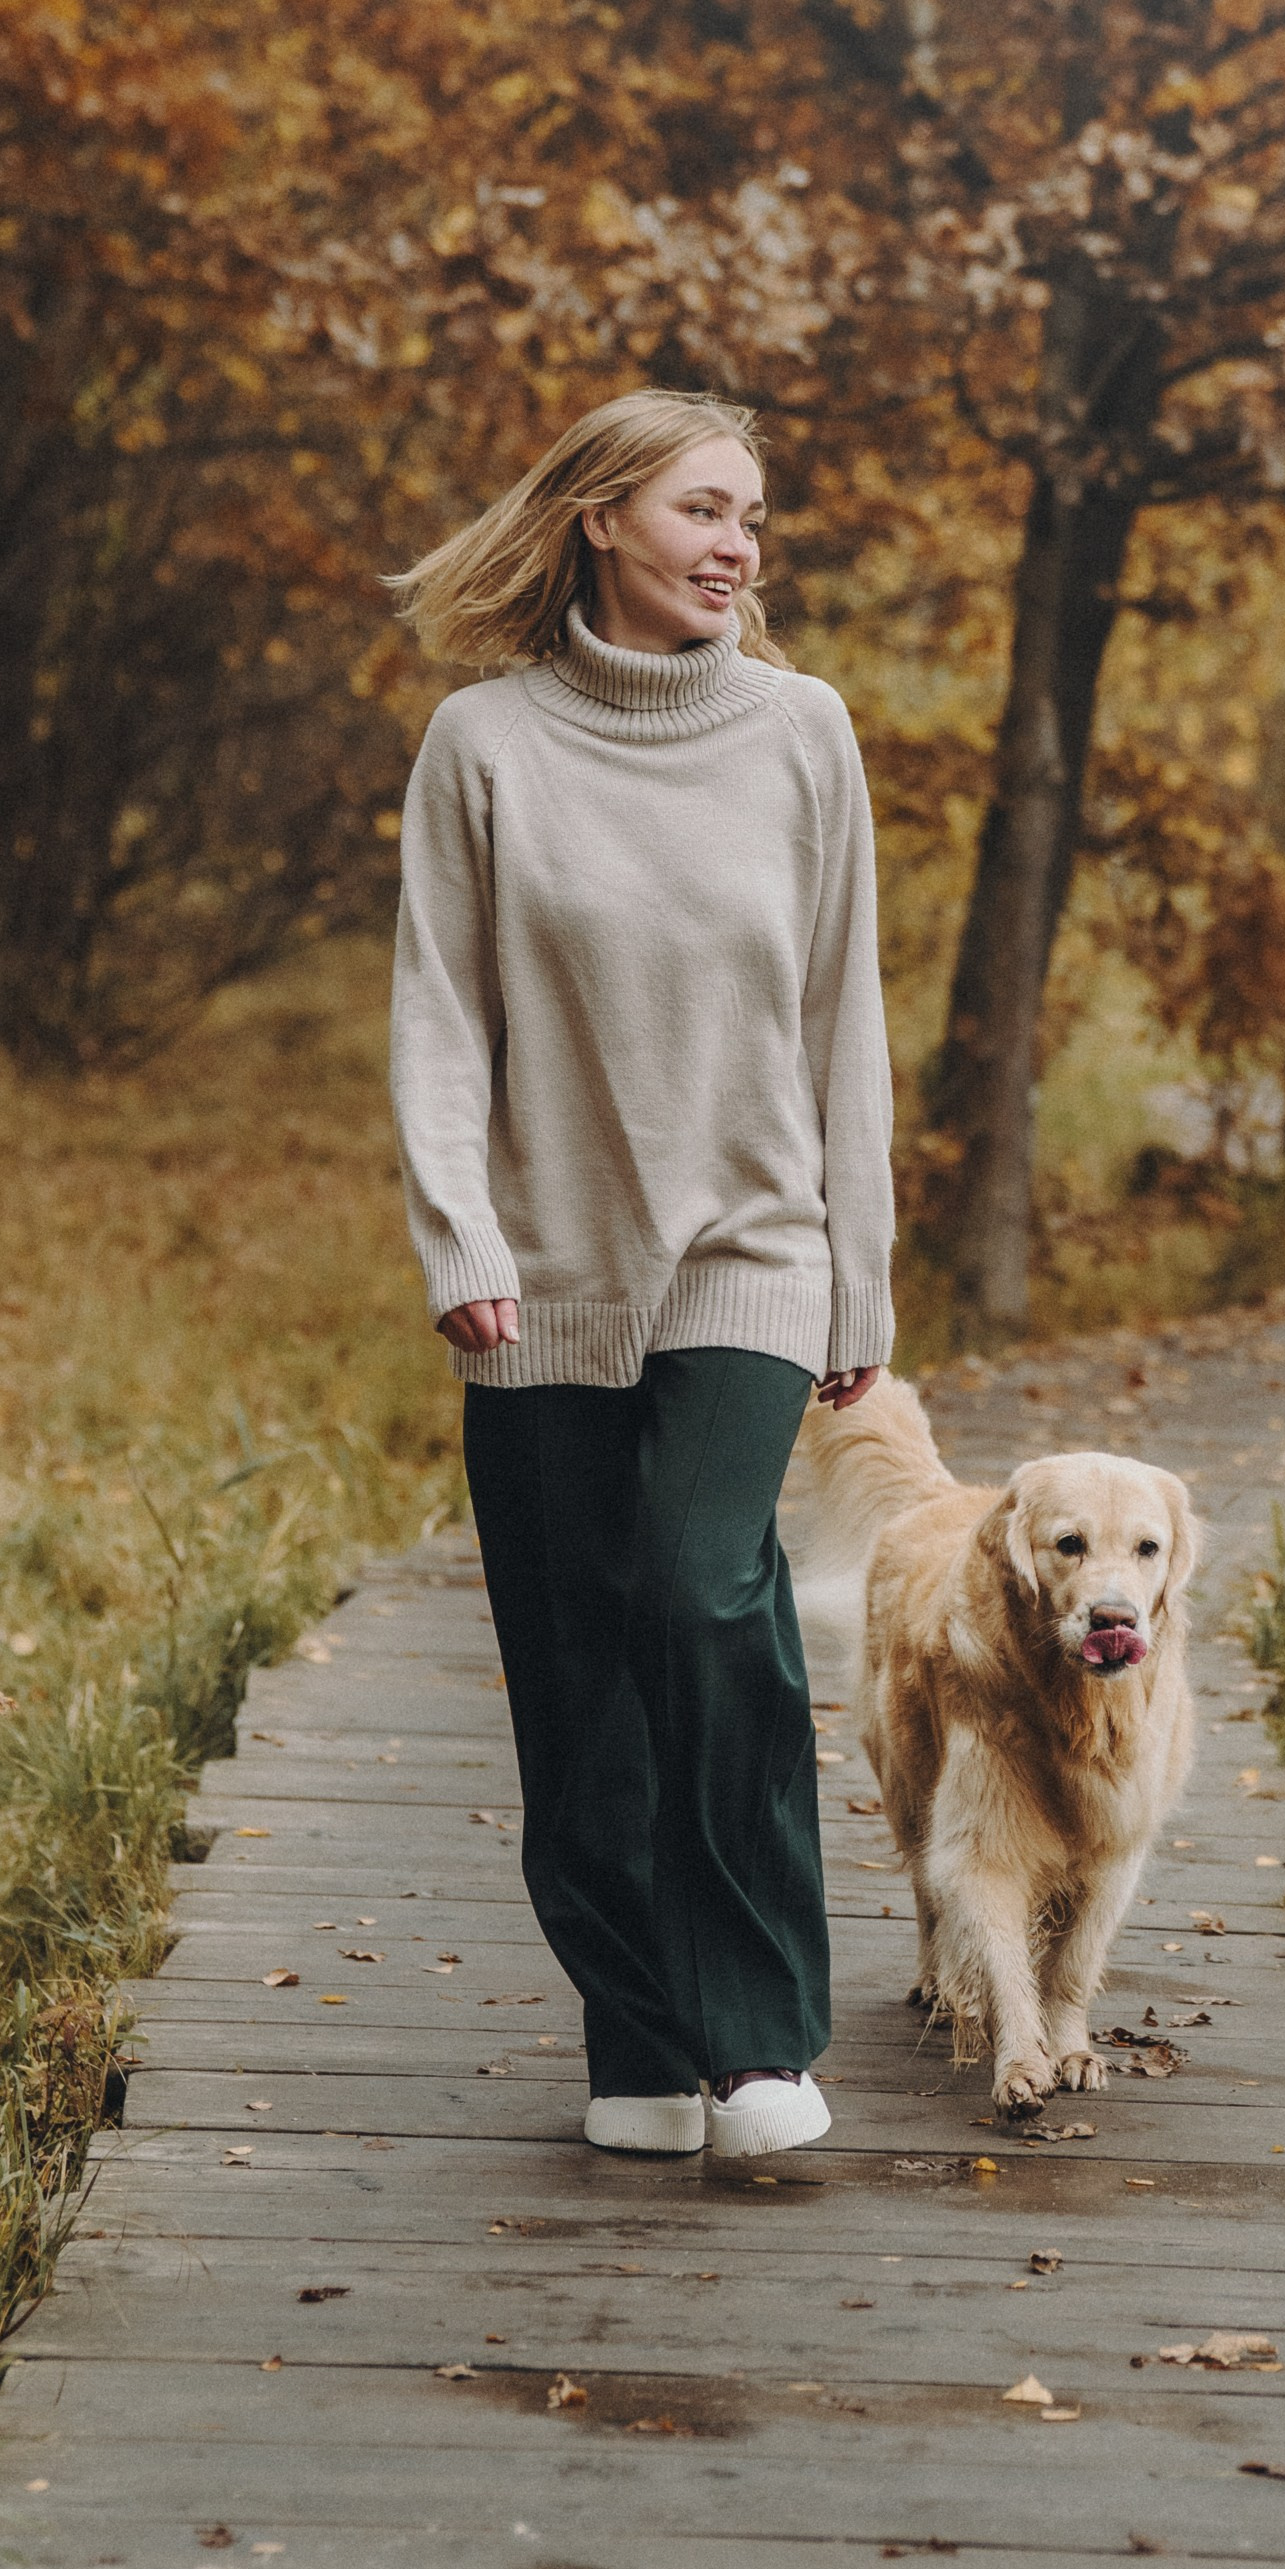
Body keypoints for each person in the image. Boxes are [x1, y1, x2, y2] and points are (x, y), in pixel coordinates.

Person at [388, 388, 895, 2163]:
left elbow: (845, 1018)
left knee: (699, 1596)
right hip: (542, 1264)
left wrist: (863, 1277)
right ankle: (639, 2030)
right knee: (574, 1658)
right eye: (703, 509)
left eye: (753, 515)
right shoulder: (483, 745)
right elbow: (441, 1016)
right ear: (602, 517)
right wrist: (458, 1232)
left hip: (752, 1250)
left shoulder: (802, 733)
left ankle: (758, 2036)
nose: (738, 545)